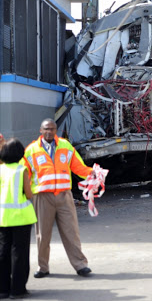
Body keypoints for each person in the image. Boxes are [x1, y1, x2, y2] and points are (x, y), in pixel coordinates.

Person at [23, 119, 93, 278]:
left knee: (71, 231)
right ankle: (43, 267)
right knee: (42, 234)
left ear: (56, 130)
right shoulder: (31, 150)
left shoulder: (66, 146)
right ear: (40, 130)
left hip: (64, 196)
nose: (49, 132)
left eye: (52, 129)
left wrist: (91, 173)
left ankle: (80, 265)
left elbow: (78, 167)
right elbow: (25, 173)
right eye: (46, 129)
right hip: (42, 196)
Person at [0, 138, 37, 299]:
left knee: (3, 253)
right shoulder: (22, 170)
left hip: (3, 217)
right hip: (21, 217)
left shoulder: (0, 170)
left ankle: (3, 289)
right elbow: (28, 194)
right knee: (19, 254)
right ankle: (17, 290)